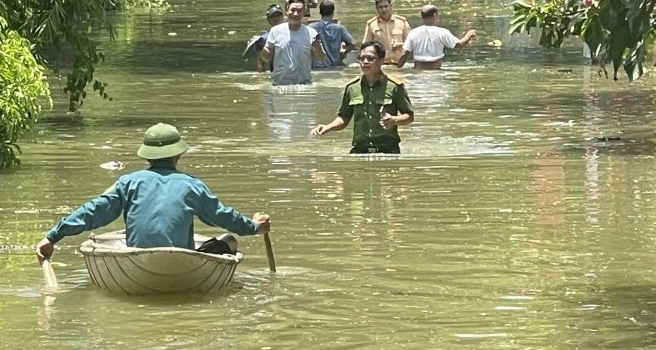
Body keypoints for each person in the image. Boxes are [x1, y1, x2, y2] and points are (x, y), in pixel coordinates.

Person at [34, 123, 272, 262]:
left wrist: (52, 236)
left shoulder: (128, 183)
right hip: (181, 263)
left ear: (146, 155)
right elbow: (222, 216)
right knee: (230, 240)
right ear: (179, 155)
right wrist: (253, 226)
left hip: (137, 261)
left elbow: (93, 211)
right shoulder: (191, 185)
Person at [311, 41, 414, 154]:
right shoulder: (352, 87)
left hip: (389, 150)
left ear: (381, 61)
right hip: (359, 150)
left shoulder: (394, 86)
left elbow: (409, 116)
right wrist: (328, 127)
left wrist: (394, 120)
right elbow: (344, 118)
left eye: (370, 58)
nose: (365, 62)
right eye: (362, 58)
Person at [261, 0, 325, 85]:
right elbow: (266, 58)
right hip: (280, 86)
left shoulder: (312, 33)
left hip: (303, 86)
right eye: (293, 10)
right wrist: (260, 47)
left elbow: (321, 59)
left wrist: (316, 45)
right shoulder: (275, 31)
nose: (296, 14)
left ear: (304, 12)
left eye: (299, 11)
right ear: (287, 11)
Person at [398, 4, 477, 70]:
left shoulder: (413, 33)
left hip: (418, 70)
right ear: (435, 15)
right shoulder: (442, 32)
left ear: (422, 16)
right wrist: (469, 34)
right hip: (436, 71)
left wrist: (398, 69)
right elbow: (460, 44)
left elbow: (404, 54)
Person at [362, 0, 410, 66]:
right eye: (380, 7)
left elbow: (411, 44)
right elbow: (365, 46)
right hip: (380, 65)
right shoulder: (371, 24)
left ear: (391, 6)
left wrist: (400, 45)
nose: (384, 9)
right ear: (376, 8)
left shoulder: (402, 22)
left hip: (399, 65)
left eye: (386, 6)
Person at [309, 1, 356, 69]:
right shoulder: (340, 29)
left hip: (317, 67)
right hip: (335, 66)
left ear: (320, 12)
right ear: (332, 13)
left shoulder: (311, 27)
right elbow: (353, 43)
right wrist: (343, 54)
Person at [256, 4, 285, 73]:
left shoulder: (292, 32)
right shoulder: (264, 38)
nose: (276, 18)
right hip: (275, 72)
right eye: (272, 16)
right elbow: (260, 62)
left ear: (283, 17)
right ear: (268, 20)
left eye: (278, 15)